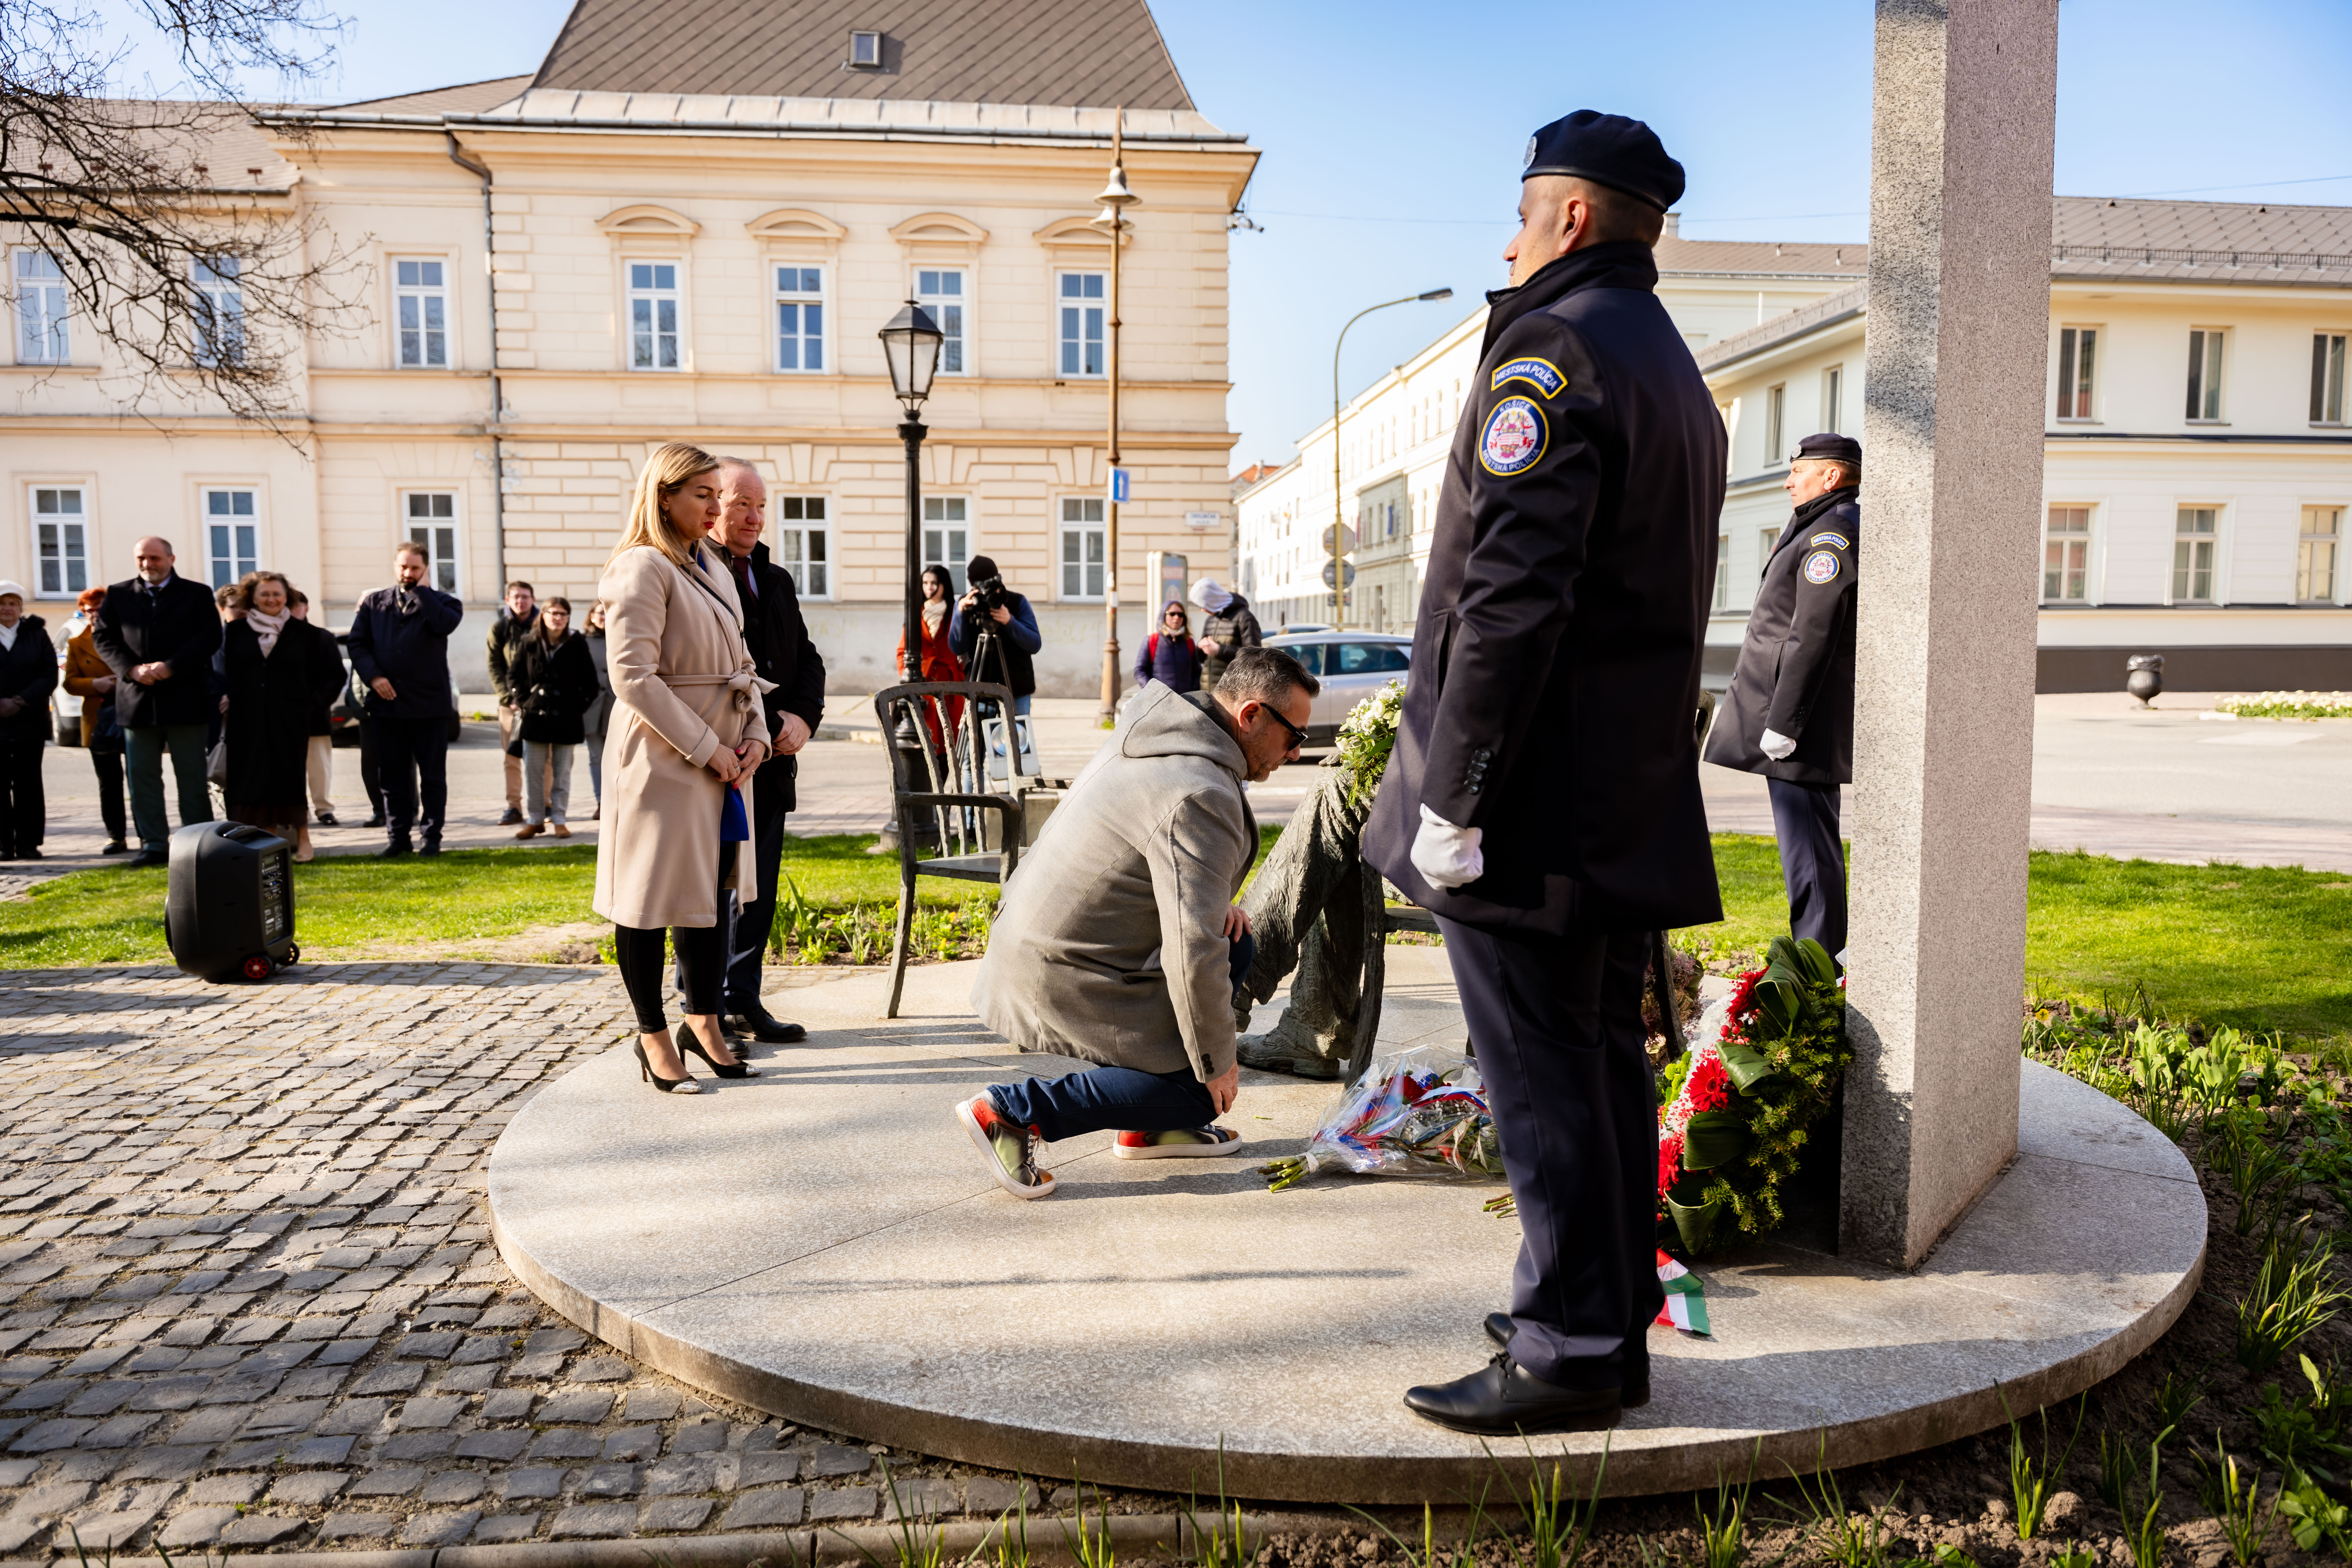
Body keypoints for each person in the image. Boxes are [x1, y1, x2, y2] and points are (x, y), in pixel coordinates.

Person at [1361, 110, 1725, 1435]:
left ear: (1569, 217)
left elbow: (1510, 601)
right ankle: (1602, 1310)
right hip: (1613, 792)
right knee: (1599, 1062)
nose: (1507, 242)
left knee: (1541, 1075)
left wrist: (1455, 796)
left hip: (1527, 804)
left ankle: (1568, 1347)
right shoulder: (1666, 361)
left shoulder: (1554, 351)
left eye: (1521, 215)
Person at [960, 646, 1320, 1196]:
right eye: (1295, 736)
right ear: (1250, 715)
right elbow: (1191, 949)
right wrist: (1217, 1063)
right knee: (1200, 1090)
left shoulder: (1166, 732)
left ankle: (1150, 1124)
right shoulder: (1201, 790)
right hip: (1063, 970)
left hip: (1049, 944)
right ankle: (1012, 1113)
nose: (1296, 752)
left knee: (1236, 940)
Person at [593, 441, 770, 1095]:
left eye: (719, 495)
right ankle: (653, 1037)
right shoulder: (641, 567)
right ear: (664, 496)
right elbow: (633, 677)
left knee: (709, 897)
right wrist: (707, 746)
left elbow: (742, 662)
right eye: (704, 494)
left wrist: (756, 735)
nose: (716, 508)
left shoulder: (712, 567)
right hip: (661, 761)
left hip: (723, 759)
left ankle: (704, 1022)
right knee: (646, 899)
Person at [1703, 433, 1859, 961]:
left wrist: (1786, 721)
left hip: (1800, 723)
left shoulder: (1833, 532)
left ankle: (1817, 965)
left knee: (1809, 850)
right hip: (1791, 716)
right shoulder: (1816, 523)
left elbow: (1813, 632)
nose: (1789, 480)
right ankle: (1817, 956)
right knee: (1805, 849)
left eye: (1798, 471)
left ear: (1830, 477)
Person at [705, 457, 826, 1045]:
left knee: (760, 890)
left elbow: (808, 658)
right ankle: (704, 1009)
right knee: (713, 889)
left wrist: (803, 718)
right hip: (723, 758)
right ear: (713, 507)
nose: (754, 517)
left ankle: (744, 998)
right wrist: (766, 722)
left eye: (760, 506)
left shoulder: (775, 578)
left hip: (774, 762)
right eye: (741, 505)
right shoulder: (697, 573)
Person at [92, 536, 222, 868]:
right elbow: (104, 637)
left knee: (192, 777)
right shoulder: (119, 594)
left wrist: (172, 666)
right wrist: (131, 669)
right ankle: (153, 844)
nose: (147, 564)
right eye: (141, 558)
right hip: (137, 699)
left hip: (185, 698)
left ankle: (198, 841)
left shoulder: (196, 593)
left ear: (171, 559)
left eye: (154, 558)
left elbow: (209, 636)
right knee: (142, 778)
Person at [347, 542, 464, 857]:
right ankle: (398, 838)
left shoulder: (446, 603)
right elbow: (357, 644)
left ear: (426, 569)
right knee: (393, 777)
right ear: (394, 566)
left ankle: (431, 839)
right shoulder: (374, 603)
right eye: (403, 567)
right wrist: (374, 677)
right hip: (387, 706)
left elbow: (444, 625)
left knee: (433, 778)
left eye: (415, 568)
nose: (407, 573)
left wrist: (422, 591)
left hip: (429, 706)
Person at [216, 571, 328, 862]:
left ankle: (304, 839)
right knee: (254, 781)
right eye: (264, 594)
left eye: (277, 594)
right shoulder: (235, 632)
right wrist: (227, 695)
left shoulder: (305, 633)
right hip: (246, 720)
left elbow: (330, 676)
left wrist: (311, 706)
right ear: (252, 598)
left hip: (290, 720)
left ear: (286, 597)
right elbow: (222, 672)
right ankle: (267, 842)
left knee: (290, 779)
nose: (271, 599)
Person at [510, 596, 597, 839]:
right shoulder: (529, 642)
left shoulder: (577, 643)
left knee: (562, 773)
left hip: (567, 719)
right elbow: (514, 676)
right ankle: (535, 821)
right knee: (534, 773)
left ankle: (559, 819)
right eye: (554, 613)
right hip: (535, 717)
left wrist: (577, 707)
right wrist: (526, 702)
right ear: (544, 615)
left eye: (564, 614)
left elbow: (590, 683)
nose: (558, 618)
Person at [61, 587, 129, 854]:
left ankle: (150, 836)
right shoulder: (77, 643)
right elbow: (70, 683)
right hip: (99, 719)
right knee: (109, 783)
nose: (94, 614)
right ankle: (116, 837)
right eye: (89, 610)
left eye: (99, 608)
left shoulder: (128, 635)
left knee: (140, 780)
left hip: (132, 714)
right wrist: (94, 684)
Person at [0, 582, 56, 862]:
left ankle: (28, 843)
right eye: (2, 603)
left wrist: (21, 700)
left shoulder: (37, 634)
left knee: (29, 784)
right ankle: (3, 845)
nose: (7, 608)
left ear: (21, 607)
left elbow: (49, 674)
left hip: (30, 720)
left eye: (13, 603)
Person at [948, 553, 1040, 715]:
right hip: (978, 691)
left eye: (994, 586)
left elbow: (1035, 644)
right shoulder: (967, 603)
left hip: (1016, 691)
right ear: (973, 587)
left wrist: (1010, 621)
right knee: (976, 732)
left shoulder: (1017, 602)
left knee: (1017, 732)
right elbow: (957, 648)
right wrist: (960, 614)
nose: (989, 594)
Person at [287, 588, 347, 829]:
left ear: (306, 608)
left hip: (315, 714)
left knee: (319, 766)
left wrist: (319, 702)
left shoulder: (322, 637)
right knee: (288, 767)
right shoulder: (275, 637)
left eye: (296, 607)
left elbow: (337, 675)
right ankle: (294, 810)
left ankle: (324, 809)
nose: (291, 612)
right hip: (284, 716)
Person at [488, 579, 540, 826]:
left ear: (533, 600)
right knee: (512, 757)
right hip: (510, 705)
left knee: (544, 757)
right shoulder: (500, 628)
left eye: (525, 597)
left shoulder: (543, 624)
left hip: (540, 703)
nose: (521, 601)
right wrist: (509, 697)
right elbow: (494, 666)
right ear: (508, 601)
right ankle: (514, 807)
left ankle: (546, 805)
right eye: (516, 597)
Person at [894, 565, 966, 746]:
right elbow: (902, 652)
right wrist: (907, 676)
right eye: (925, 583)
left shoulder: (956, 613)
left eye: (934, 583)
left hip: (951, 687)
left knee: (951, 742)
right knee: (925, 742)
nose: (929, 587)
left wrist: (960, 675)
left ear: (944, 586)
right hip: (922, 685)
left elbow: (965, 647)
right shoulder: (915, 614)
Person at [1190, 576, 1263, 693]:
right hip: (1208, 691)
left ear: (1213, 600)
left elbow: (1254, 655)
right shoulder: (1210, 620)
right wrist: (1201, 647)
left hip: (1231, 692)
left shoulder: (1245, 617)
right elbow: (1203, 659)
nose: (1203, 610)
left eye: (1204, 605)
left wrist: (1219, 650)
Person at [582, 600, 614, 820]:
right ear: (592, 616)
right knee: (597, 757)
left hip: (617, 708)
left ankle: (618, 801)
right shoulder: (582, 642)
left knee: (618, 757)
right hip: (591, 709)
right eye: (600, 613)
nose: (604, 617)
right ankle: (602, 802)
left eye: (608, 612)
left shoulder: (622, 637)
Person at [1134, 600, 1206, 693]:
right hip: (1160, 699)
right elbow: (1140, 671)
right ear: (1163, 616)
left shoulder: (1189, 641)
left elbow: (1197, 671)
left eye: (1181, 615)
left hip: (1186, 699)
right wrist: (1153, 692)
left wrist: (1193, 691)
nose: (1177, 618)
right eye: (1172, 614)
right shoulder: (1152, 640)